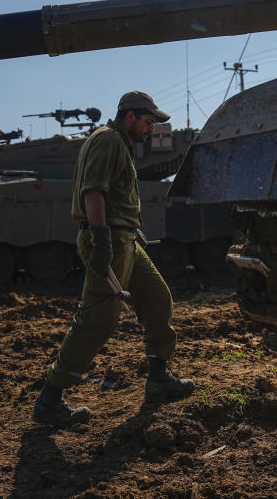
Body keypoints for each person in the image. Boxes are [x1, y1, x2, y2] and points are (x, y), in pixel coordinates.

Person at [32, 91, 195, 427]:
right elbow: (94, 191)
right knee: (98, 318)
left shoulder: (119, 143)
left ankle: (159, 380)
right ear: (130, 116)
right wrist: (102, 239)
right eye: (148, 122)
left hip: (127, 240)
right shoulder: (107, 140)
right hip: (111, 240)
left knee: (157, 298)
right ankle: (50, 398)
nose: (151, 129)